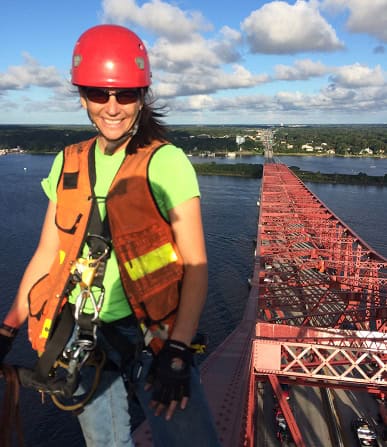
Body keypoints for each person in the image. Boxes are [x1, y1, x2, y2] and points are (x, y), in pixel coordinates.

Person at [0, 24, 222, 447]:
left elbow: (196, 266)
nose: (113, 107)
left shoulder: (166, 163)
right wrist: (8, 329)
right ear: (82, 95)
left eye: (127, 94)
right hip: (86, 339)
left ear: (143, 97)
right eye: (100, 94)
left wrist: (177, 351)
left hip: (154, 338)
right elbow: (48, 252)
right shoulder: (67, 162)